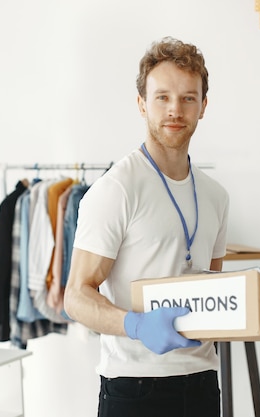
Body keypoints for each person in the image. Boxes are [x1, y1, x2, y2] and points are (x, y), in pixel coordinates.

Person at [63, 37, 229, 417]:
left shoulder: (216, 196)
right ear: (141, 104)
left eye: (188, 98)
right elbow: (75, 296)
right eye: (162, 97)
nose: (175, 109)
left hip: (203, 383)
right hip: (134, 389)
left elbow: (215, 297)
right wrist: (135, 325)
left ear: (203, 107)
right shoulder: (116, 189)